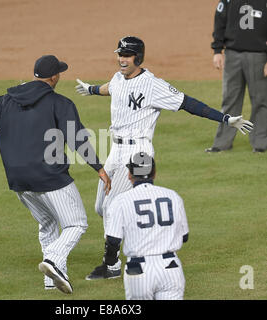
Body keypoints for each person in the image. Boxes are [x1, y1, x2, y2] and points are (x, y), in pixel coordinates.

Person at [75, 36, 253, 280]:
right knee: (100, 207)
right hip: (115, 150)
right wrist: (92, 89)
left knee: (112, 208)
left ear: (138, 57)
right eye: (119, 54)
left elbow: (188, 103)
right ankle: (137, 228)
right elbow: (111, 88)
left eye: (126, 55)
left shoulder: (153, 85)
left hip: (138, 152)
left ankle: (112, 264)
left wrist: (224, 119)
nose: (121, 59)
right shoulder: (118, 78)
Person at [0, 54, 111, 294]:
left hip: (18, 180)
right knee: (76, 224)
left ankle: (50, 281)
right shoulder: (60, 103)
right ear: (54, 77)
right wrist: (99, 168)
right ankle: (53, 261)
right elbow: (77, 140)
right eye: (59, 72)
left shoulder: (4, 101)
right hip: (50, 177)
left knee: (48, 222)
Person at [103, 152, 189, 300]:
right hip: (170, 267)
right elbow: (184, 236)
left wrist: (109, 263)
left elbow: (113, 241)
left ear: (130, 175)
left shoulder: (121, 201)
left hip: (138, 270)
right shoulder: (172, 196)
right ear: (154, 173)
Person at [206, 0, 267, 153]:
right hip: (232, 54)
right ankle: (222, 144)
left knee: (261, 100)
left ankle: (260, 144)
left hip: (259, 55)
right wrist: (217, 51)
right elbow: (219, 22)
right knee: (230, 100)